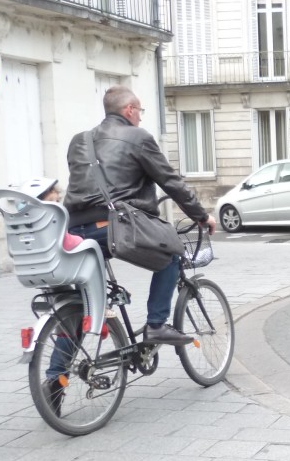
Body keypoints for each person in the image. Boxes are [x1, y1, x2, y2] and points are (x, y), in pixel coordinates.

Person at [64, 86, 215, 347]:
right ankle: (156, 325)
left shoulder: (79, 140)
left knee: (81, 308)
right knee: (172, 254)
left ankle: (53, 379)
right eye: (140, 111)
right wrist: (202, 216)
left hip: (75, 231)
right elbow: (171, 182)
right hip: (115, 227)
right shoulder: (138, 137)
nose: (141, 117)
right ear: (129, 110)